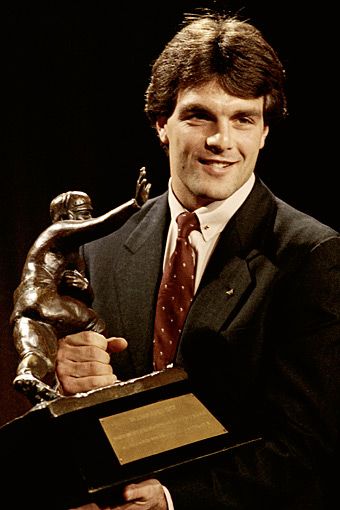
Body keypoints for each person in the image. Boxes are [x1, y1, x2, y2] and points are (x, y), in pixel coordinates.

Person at [54, 11, 340, 510]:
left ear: (265, 132)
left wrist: (171, 499)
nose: (221, 140)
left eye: (243, 119)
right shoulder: (101, 247)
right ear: (162, 123)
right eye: (199, 115)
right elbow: (103, 422)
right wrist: (75, 388)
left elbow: (304, 447)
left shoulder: (310, 255)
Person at [10, 167, 150, 403]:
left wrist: (84, 287)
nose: (87, 219)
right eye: (83, 214)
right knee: (95, 323)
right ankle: (98, 375)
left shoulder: (72, 255)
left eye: (89, 213)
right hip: (45, 299)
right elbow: (100, 225)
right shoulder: (57, 231)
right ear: (64, 217)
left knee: (40, 355)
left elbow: (84, 295)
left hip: (25, 306)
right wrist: (133, 205)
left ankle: (29, 376)